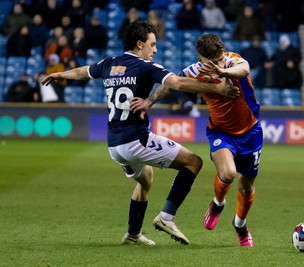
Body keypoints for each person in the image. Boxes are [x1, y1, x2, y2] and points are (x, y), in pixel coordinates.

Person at [41, 20, 240, 246]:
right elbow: (177, 83)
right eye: (152, 44)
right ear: (139, 44)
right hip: (136, 139)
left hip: (114, 145)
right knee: (193, 162)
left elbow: (83, 72)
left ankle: (133, 234)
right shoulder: (146, 67)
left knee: (145, 180)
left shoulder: (109, 63)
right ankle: (167, 217)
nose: (155, 49)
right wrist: (217, 88)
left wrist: (60, 75)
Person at [131, 33, 262, 247]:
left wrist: (222, 70)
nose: (220, 62)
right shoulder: (196, 71)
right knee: (228, 174)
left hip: (251, 133)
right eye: (214, 61)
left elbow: (244, 69)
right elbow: (170, 84)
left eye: (221, 58)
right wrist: (149, 101)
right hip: (221, 132)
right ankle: (217, 203)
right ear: (201, 58)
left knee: (246, 187)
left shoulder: (232, 61)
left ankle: (240, 224)